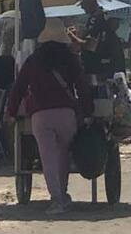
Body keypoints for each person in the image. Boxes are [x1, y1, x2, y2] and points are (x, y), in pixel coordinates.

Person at [5, 40, 93, 214]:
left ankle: (57, 199)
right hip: (66, 113)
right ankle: (63, 194)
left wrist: (11, 112)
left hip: (40, 114)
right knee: (63, 155)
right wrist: (88, 109)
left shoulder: (33, 60)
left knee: (48, 158)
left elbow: (19, 87)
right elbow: (82, 86)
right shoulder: (70, 59)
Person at [67, 0, 112, 79]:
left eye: (83, 4)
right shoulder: (103, 15)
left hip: (94, 66)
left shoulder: (95, 19)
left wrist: (71, 35)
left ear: (90, 3)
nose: (82, 7)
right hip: (102, 65)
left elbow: (90, 45)